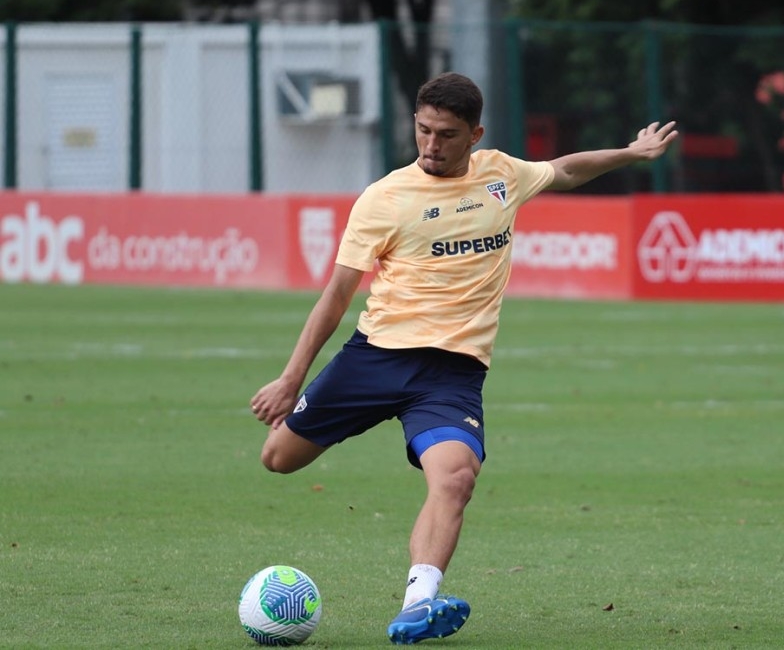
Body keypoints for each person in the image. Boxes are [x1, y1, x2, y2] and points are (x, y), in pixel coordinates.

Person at [250, 71, 678, 643]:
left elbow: (568, 170)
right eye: (423, 130)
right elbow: (336, 297)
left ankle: (417, 604)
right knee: (278, 458)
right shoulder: (383, 199)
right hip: (375, 357)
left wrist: (631, 153)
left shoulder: (501, 175)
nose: (431, 145)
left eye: (446, 134)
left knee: (455, 479)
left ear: (474, 133)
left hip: (450, 374)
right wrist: (289, 378)